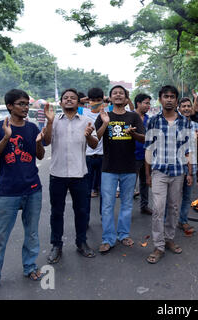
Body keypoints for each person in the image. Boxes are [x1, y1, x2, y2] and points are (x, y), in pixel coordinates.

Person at [0, 89, 46, 296]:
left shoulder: (33, 127)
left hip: (33, 189)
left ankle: (30, 267)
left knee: (32, 233)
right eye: (21, 104)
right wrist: (6, 138)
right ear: (9, 106)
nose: (25, 107)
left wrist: (37, 142)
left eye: (27, 104)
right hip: (8, 192)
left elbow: (40, 156)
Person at [44, 88, 98, 264]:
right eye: (65, 98)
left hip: (79, 174)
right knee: (56, 212)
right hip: (57, 174)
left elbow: (94, 143)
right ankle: (56, 245)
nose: (69, 100)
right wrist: (50, 122)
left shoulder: (86, 121)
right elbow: (46, 141)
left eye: (72, 98)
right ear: (60, 103)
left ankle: (81, 242)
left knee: (81, 211)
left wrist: (89, 136)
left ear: (78, 102)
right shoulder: (54, 121)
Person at [144, 85, 193, 264]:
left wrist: (190, 172)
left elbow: (188, 149)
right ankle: (158, 246)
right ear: (160, 99)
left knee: (173, 207)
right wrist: (148, 175)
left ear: (176, 100)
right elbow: (148, 148)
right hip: (159, 171)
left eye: (173, 96)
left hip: (178, 172)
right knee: (158, 208)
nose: (169, 99)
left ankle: (169, 238)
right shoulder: (153, 121)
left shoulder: (184, 122)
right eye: (166, 96)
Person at [95, 85, 145, 254]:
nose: (118, 95)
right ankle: (108, 238)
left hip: (129, 167)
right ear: (110, 98)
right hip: (108, 167)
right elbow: (96, 139)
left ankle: (123, 234)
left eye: (121, 93)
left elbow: (143, 138)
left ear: (126, 98)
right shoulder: (104, 115)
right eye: (114, 93)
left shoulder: (134, 116)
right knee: (107, 206)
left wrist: (133, 134)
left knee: (127, 204)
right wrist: (105, 123)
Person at [78, 88, 108, 228]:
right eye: (92, 100)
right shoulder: (82, 112)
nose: (95, 103)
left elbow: (123, 100)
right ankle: (85, 219)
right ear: (87, 101)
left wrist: (105, 100)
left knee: (104, 191)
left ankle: (104, 218)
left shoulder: (107, 111)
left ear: (102, 99)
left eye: (98, 100)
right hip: (87, 156)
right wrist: (84, 100)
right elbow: (72, 102)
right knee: (86, 192)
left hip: (103, 156)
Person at [176, 97, 198, 235]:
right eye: (183, 106)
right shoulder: (174, 124)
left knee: (187, 197)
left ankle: (183, 221)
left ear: (191, 109)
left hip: (192, 166)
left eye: (188, 106)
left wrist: (196, 140)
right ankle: (169, 222)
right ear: (179, 109)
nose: (186, 108)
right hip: (178, 167)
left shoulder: (196, 126)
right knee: (173, 198)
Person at [134, 93, 153, 215]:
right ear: (138, 103)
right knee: (130, 184)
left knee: (145, 182)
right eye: (146, 103)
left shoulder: (149, 119)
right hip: (132, 156)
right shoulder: (130, 117)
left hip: (146, 155)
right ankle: (127, 209)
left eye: (149, 103)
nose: (148, 106)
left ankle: (144, 206)